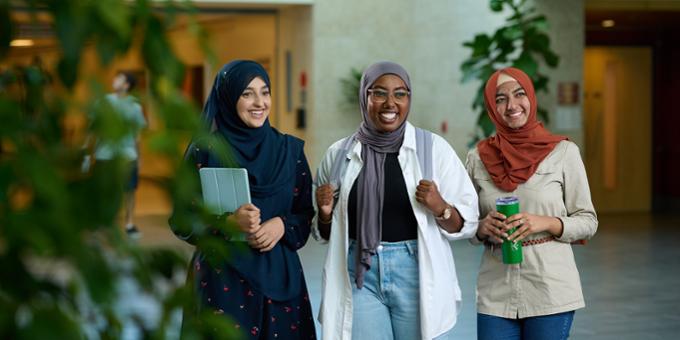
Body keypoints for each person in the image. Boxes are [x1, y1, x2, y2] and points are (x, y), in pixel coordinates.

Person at [313, 61, 479, 340]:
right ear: (364, 96)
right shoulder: (339, 154)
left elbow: (467, 223)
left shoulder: (433, 150)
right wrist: (326, 214)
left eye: (400, 94)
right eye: (379, 93)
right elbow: (324, 233)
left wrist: (440, 207)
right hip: (359, 273)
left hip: (415, 270)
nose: (390, 103)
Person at [170, 60, 316, 339]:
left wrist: (282, 225)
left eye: (265, 92)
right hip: (221, 285)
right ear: (228, 98)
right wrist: (227, 223)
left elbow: (303, 214)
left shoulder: (290, 151)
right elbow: (182, 219)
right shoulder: (205, 151)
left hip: (281, 285)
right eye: (247, 93)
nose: (259, 102)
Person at [465, 67, 598, 340]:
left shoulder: (563, 153)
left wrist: (545, 222)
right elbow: (467, 224)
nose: (511, 105)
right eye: (500, 98)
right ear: (491, 106)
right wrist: (481, 228)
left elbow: (588, 221)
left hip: (551, 287)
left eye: (519, 94)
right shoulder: (477, 157)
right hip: (495, 290)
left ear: (531, 98)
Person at [90, 71, 146, 238]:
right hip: (104, 155)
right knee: (104, 190)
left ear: (127, 85)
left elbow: (137, 134)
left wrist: (140, 157)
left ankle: (129, 223)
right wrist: (89, 152)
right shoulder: (103, 102)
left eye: (119, 79)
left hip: (127, 156)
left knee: (129, 190)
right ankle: (104, 222)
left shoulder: (135, 107)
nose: (114, 80)